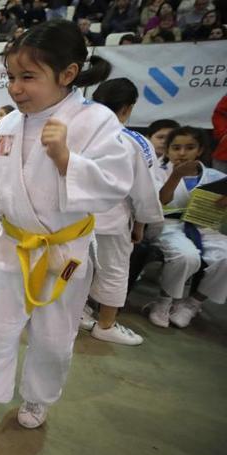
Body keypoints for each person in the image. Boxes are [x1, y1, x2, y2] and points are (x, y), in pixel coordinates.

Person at [0, 20, 133, 432]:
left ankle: (38, 398)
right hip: (14, 245)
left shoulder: (96, 121)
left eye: (28, 77)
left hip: (64, 251)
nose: (16, 88)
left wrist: (66, 159)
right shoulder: (7, 125)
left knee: (54, 335)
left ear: (68, 74)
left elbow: (115, 184)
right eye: (11, 78)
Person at [81, 78, 164, 345]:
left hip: (75, 218)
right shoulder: (135, 141)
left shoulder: (80, 134)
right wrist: (142, 223)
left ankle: (76, 311)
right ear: (127, 109)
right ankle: (105, 324)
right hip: (112, 219)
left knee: (77, 266)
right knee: (114, 269)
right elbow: (144, 190)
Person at [147, 126, 226, 328]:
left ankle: (192, 304)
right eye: (176, 148)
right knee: (186, 256)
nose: (182, 153)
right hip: (169, 226)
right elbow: (160, 201)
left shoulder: (215, 177)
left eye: (189, 147)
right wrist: (175, 176)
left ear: (199, 150)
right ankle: (164, 301)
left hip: (203, 226)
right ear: (168, 150)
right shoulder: (157, 172)